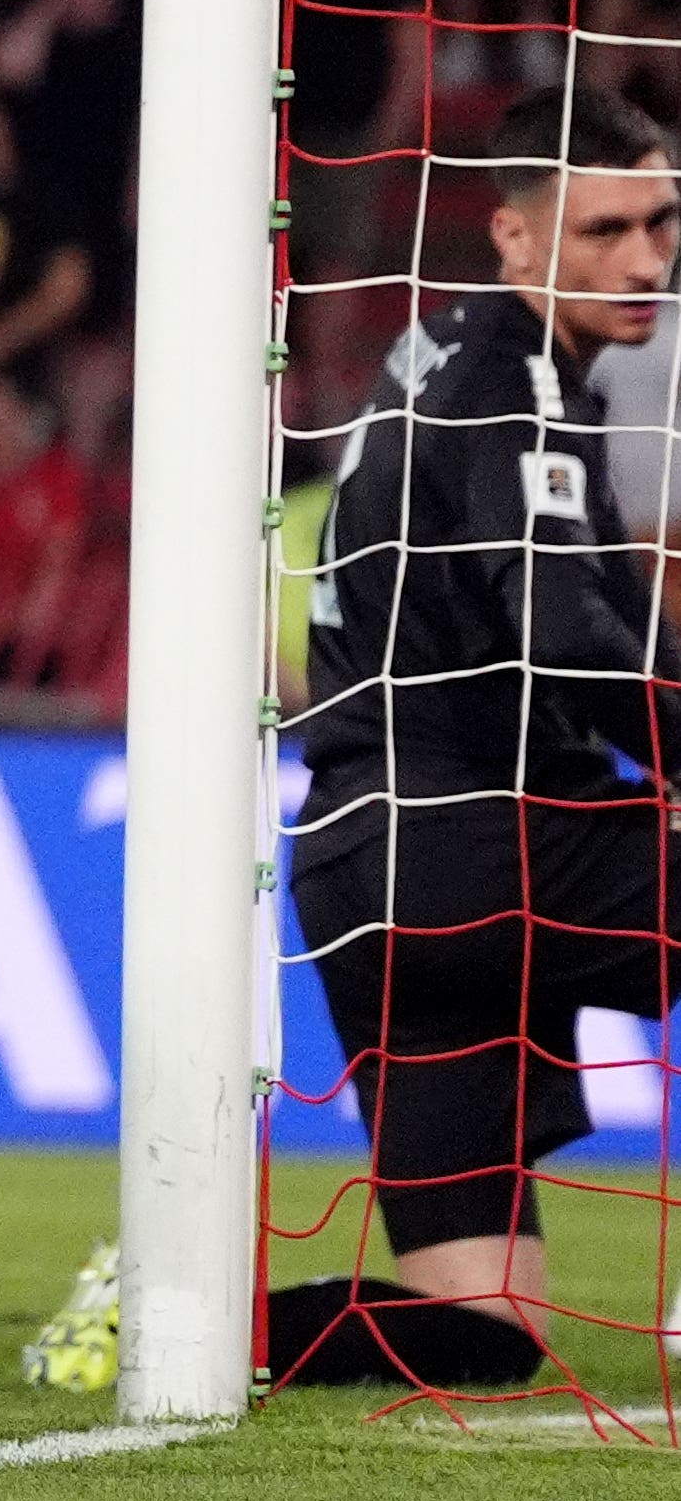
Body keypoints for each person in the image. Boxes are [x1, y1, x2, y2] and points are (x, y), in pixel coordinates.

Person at [40, 87, 681, 1398]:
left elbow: (584, 611)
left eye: (660, 224)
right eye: (606, 226)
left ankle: (184, 1316)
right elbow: (559, 635)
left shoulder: (433, 353)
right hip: (480, 844)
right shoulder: (511, 387)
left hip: (365, 866)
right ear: (511, 236)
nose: (644, 258)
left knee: (487, 1326)